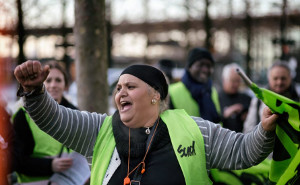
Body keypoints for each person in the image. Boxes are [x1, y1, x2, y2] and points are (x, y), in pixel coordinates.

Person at [14, 60, 279, 185]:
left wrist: (265, 129)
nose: (120, 93)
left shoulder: (196, 131)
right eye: (118, 88)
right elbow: (54, 119)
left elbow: (244, 152)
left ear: (156, 95)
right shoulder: (99, 131)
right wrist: (35, 93)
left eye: (130, 86)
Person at [13, 61, 89, 184]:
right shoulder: (22, 115)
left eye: (58, 80)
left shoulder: (75, 114)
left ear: (66, 85)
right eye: (48, 81)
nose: (53, 85)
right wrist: (49, 165)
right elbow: (15, 161)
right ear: (40, 83)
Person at [243, 61, 300, 133]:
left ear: (290, 78)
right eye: (275, 78)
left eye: (283, 78)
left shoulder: (298, 95)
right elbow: (248, 130)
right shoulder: (258, 100)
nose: (279, 82)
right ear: (269, 78)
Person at [169, 47, 221, 123]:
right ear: (190, 67)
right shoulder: (171, 92)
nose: (205, 70)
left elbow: (218, 123)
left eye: (208, 66)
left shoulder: (212, 91)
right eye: (200, 65)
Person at [218, 63, 251, 132]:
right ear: (224, 80)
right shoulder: (217, 98)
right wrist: (226, 114)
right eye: (233, 81)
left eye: (238, 81)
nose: (235, 84)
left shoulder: (247, 99)